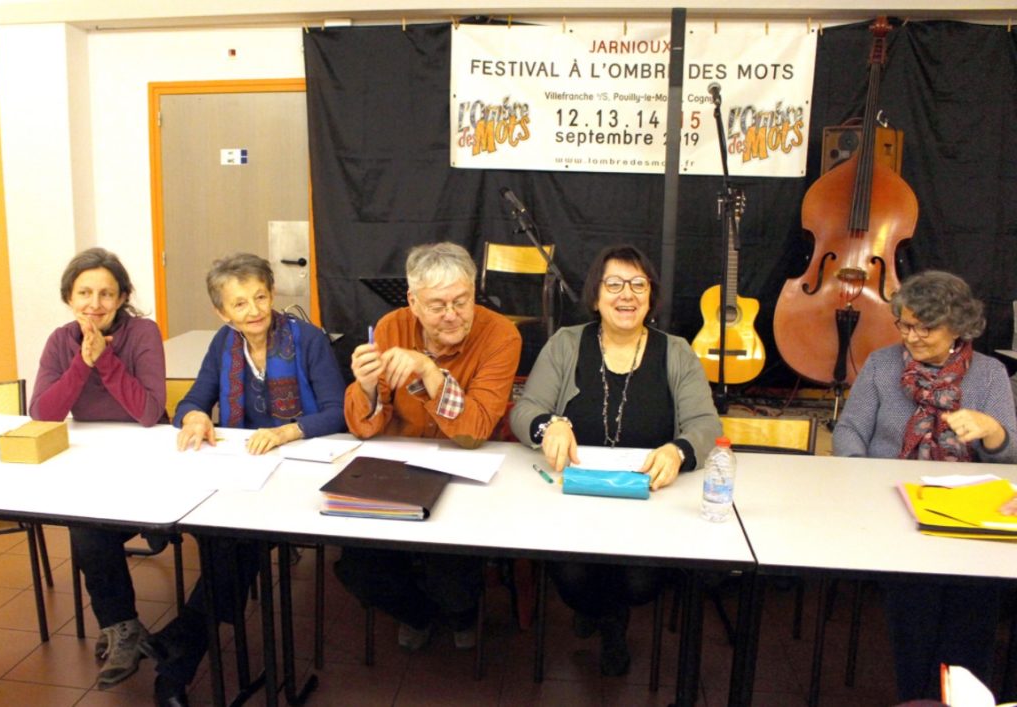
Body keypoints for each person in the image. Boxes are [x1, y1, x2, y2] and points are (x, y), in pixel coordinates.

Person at [509, 243, 722, 675]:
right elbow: (524, 411)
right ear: (595, 296)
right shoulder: (566, 344)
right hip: (574, 495)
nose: (627, 295)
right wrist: (549, 424)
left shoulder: (676, 351)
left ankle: (608, 618)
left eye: (638, 284)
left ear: (651, 296)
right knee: (570, 581)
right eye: (614, 284)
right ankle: (608, 620)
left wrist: (678, 451)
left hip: (649, 498)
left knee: (640, 584)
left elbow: (705, 424)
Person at [149, 253, 345, 706]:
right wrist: (195, 416)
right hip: (246, 471)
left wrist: (286, 431)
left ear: (273, 294)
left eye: (260, 296)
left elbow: (337, 413)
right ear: (222, 312)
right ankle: (181, 653)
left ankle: (178, 654)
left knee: (231, 549)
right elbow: (195, 398)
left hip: (302, 469)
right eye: (239, 304)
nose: (253, 310)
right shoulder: (223, 343)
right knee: (228, 545)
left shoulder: (307, 339)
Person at [833, 270, 1016, 702]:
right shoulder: (881, 363)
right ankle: (917, 695)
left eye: (924, 327)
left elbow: (1009, 457)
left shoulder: (989, 376)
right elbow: (849, 431)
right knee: (915, 601)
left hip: (970, 517)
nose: (911, 337)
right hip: (893, 509)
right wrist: (861, 475)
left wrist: (992, 431)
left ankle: (963, 695)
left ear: (959, 326)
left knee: (974, 606)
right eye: (905, 324)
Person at [336, 241, 521, 651]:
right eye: (438, 306)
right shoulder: (391, 327)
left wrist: (430, 375)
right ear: (413, 302)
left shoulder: (500, 335)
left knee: (452, 577)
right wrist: (366, 388)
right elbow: (366, 428)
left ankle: (458, 613)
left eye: (462, 301)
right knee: (358, 569)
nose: (453, 315)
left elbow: (472, 433)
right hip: (400, 466)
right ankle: (417, 613)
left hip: (465, 471)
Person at [30, 247, 166, 688]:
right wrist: (81, 362)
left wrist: (104, 360)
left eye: (107, 293)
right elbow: (44, 414)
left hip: (152, 463)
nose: (95, 303)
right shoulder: (59, 340)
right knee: (86, 528)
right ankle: (123, 626)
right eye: (84, 292)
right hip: (96, 466)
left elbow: (148, 412)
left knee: (135, 525)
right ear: (69, 297)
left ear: (123, 296)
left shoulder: (142, 332)